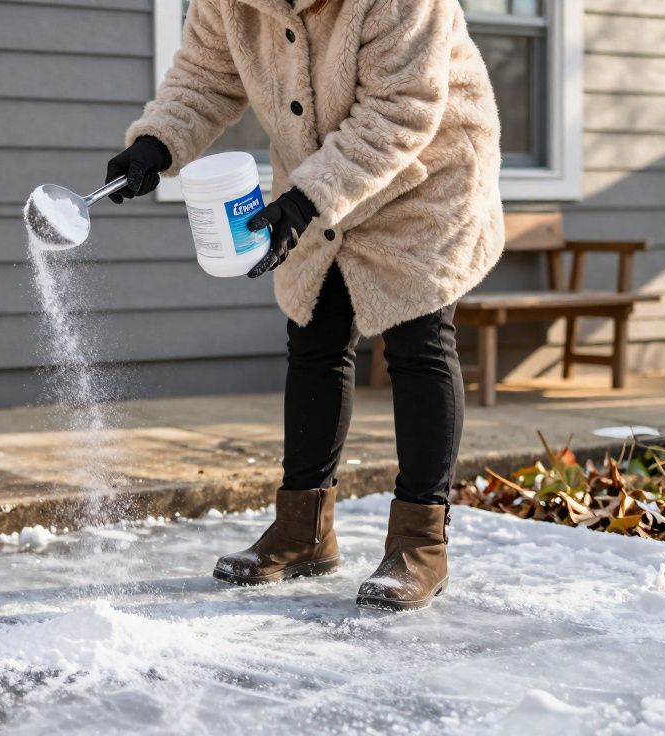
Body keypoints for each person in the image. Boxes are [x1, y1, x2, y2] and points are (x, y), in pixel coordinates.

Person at [107, 0, 503, 611]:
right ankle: (303, 531)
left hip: (427, 171)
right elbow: (206, 76)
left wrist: (302, 202)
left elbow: (402, 110)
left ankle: (420, 544)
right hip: (316, 169)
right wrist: (158, 144)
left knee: (418, 344)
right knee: (314, 337)